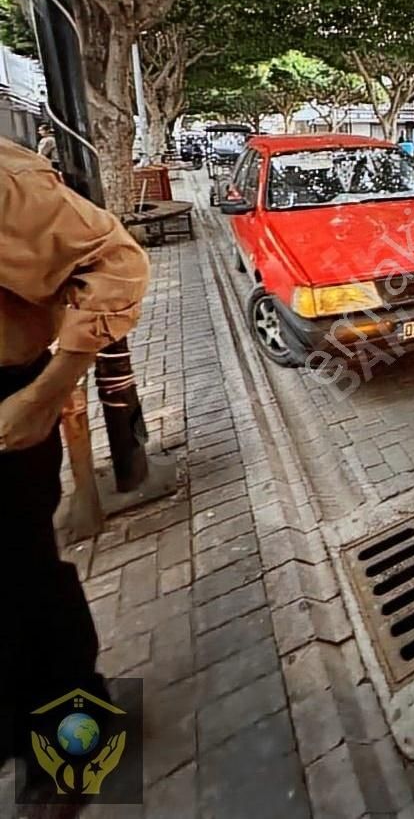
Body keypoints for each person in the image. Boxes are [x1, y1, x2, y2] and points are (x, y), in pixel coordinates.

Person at [0, 137, 150, 789]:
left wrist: (46, 392)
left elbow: (116, 263)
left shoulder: (4, 180)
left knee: (20, 587)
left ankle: (76, 752)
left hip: (8, 414)